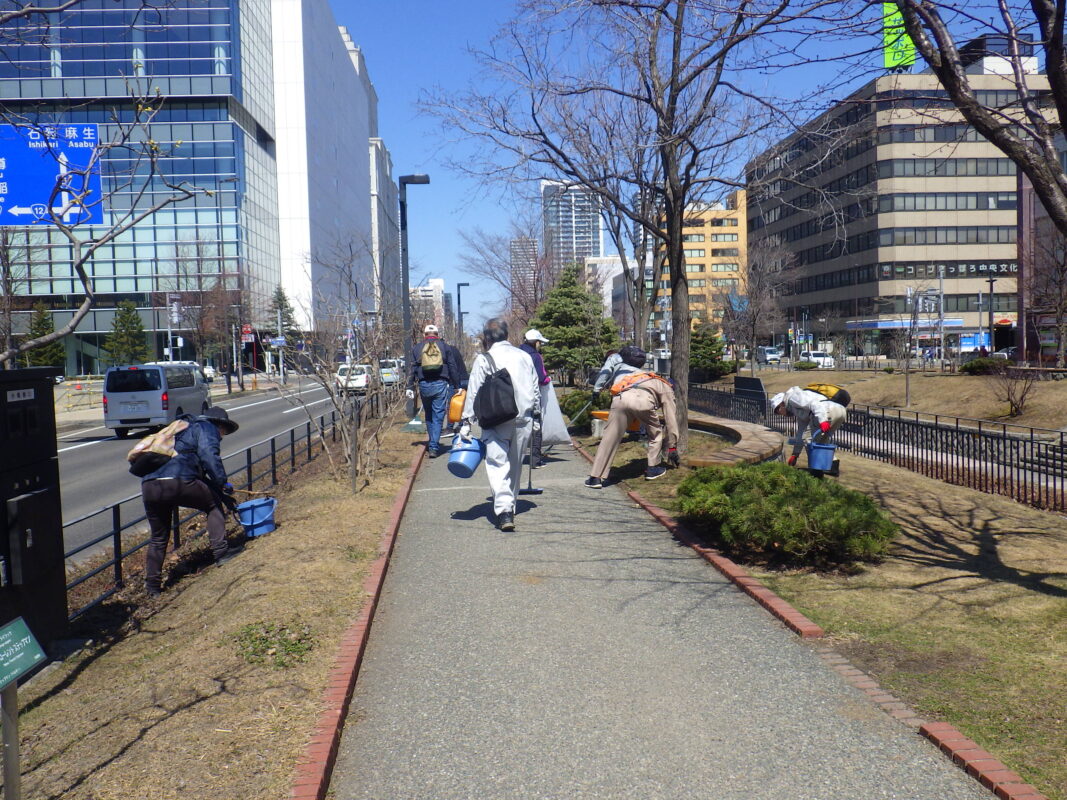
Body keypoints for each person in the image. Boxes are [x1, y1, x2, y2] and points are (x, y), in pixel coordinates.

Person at [140, 406, 241, 597]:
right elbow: (210, 457)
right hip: (178, 480)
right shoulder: (205, 427)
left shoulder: (178, 430)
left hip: (150, 485)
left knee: (158, 536)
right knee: (213, 506)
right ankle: (221, 553)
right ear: (218, 424)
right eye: (224, 431)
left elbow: (199, 472)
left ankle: (152, 587)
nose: (222, 436)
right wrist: (222, 483)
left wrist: (220, 488)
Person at [459, 318, 540, 531]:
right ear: (506, 335)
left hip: (496, 419)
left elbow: (474, 390)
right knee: (514, 465)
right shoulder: (524, 356)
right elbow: (535, 388)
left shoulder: (485, 358)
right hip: (524, 418)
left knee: (497, 464)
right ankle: (508, 505)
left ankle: (504, 510)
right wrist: (537, 416)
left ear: (486, 337)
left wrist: (466, 421)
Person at [585, 346, 680, 488]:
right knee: (656, 434)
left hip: (621, 398)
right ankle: (652, 469)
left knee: (609, 438)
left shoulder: (642, 376)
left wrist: (596, 390)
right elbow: (671, 420)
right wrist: (672, 447)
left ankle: (595, 478)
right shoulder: (666, 387)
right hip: (643, 403)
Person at [406, 324, 466, 458]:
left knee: (428, 414)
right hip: (440, 383)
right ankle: (433, 446)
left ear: (424, 335)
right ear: (437, 334)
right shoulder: (444, 347)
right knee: (438, 415)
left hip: (424, 384)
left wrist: (409, 386)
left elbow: (412, 368)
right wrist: (457, 385)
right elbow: (452, 366)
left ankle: (431, 442)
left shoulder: (417, 348)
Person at [770, 386, 847, 467]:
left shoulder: (792, 397)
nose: (781, 415)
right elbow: (801, 431)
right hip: (840, 411)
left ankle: (815, 469)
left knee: (809, 440)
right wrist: (795, 454)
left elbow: (814, 404)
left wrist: (823, 420)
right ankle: (833, 466)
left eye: (778, 412)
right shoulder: (798, 409)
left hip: (826, 411)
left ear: (781, 405)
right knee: (822, 441)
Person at [520, 328, 552, 467]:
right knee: (536, 426)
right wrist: (547, 379)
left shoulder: (517, 353)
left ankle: (515, 458)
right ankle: (535, 460)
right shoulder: (535, 356)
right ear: (536, 342)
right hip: (532, 395)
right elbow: (541, 377)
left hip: (516, 396)